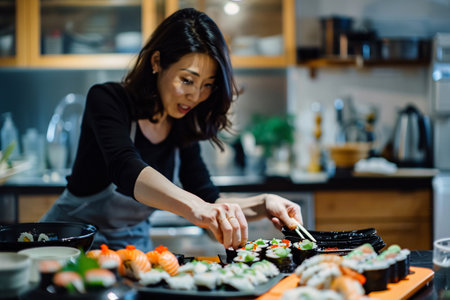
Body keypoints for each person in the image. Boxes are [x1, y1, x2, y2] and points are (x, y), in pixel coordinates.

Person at [41, 8, 302, 252]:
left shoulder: (181, 126)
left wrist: (264, 204)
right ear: (157, 62)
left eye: (207, 85)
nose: (196, 96)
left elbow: (210, 200)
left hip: (131, 252)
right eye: (187, 80)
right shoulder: (108, 99)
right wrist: (196, 209)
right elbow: (124, 167)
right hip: (69, 245)